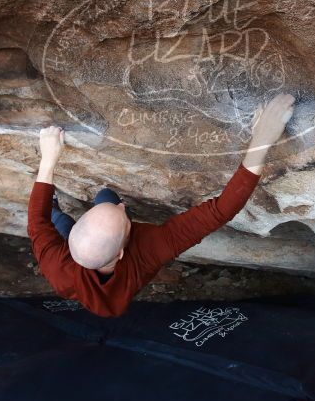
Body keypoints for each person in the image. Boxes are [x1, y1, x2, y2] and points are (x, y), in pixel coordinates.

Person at [27, 93, 296, 317]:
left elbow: (37, 223)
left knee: (56, 219)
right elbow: (220, 211)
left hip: (76, 261)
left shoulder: (57, 267)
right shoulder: (150, 251)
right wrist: (262, 139)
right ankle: (82, 212)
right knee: (105, 196)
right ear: (121, 253)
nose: (123, 207)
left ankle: (61, 213)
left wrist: (48, 159)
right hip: (109, 269)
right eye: (124, 218)